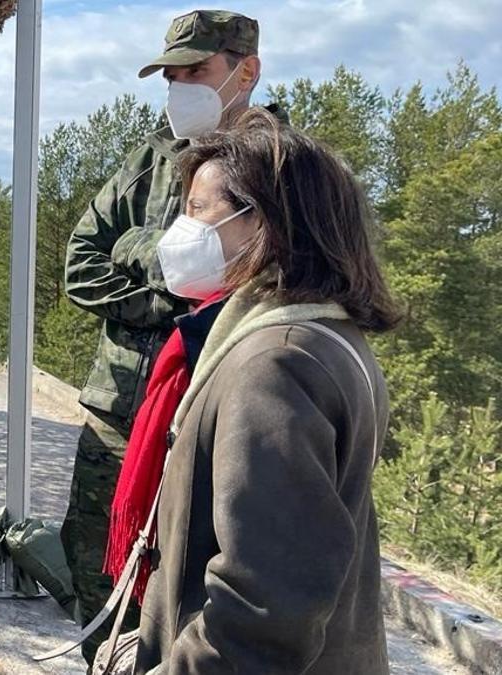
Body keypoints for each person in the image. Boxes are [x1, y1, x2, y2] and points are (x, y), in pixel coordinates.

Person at [122, 108, 398, 674]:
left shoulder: (276, 363)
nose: (182, 228)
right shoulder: (326, 336)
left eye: (199, 210)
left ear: (264, 221)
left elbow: (262, 606)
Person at [60, 10, 269, 663]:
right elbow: (80, 264)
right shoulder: (148, 161)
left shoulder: (282, 171)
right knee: (95, 594)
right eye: (171, 76)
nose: (180, 89)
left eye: (196, 72)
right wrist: (170, 285)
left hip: (219, 427)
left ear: (246, 70)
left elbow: (279, 285)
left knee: (192, 607)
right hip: (119, 420)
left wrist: (135, 250)